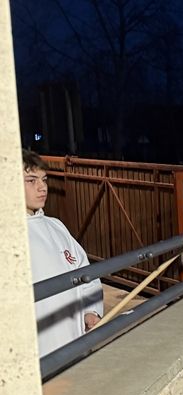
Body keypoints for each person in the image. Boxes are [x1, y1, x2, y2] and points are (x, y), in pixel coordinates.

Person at [24, 149, 104, 357]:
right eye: (31, 180)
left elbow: (86, 273)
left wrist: (91, 310)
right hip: (40, 352)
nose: (42, 187)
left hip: (75, 341)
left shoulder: (56, 226)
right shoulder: (10, 237)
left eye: (44, 179)